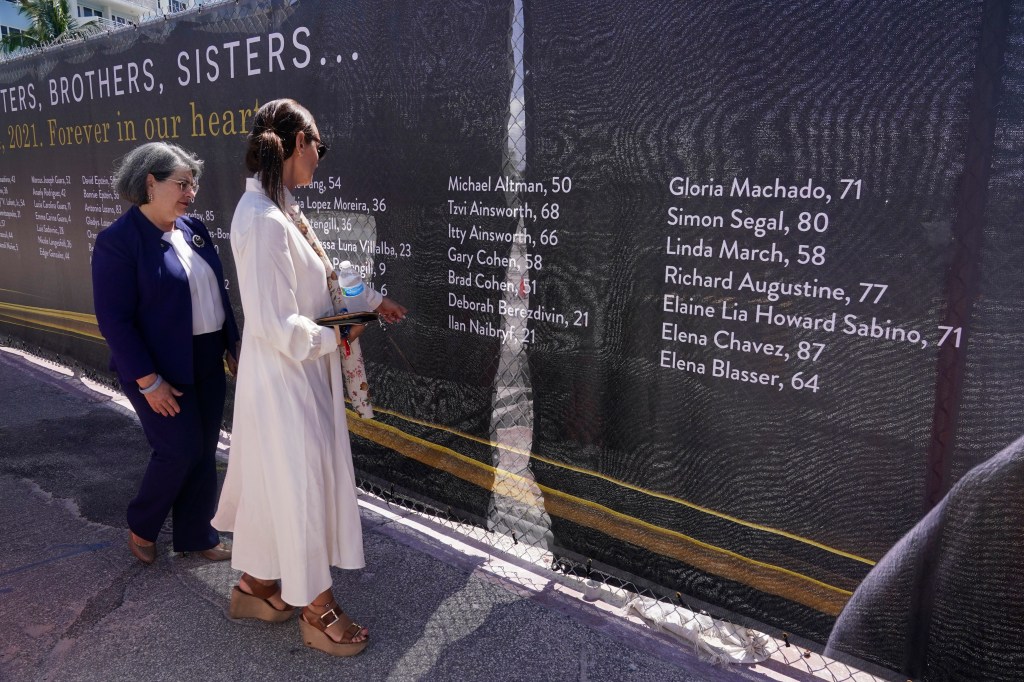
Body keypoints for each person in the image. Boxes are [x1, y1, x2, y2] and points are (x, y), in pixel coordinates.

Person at [212, 99, 407, 657]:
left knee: (279, 484)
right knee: (298, 486)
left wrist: (368, 301)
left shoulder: (279, 209)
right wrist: (340, 336)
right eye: (319, 148)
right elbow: (276, 321)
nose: (320, 160)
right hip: (285, 379)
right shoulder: (264, 220)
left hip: (291, 374)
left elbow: (317, 281)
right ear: (299, 143)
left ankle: (256, 587)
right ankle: (317, 611)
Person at [92, 142, 240, 566]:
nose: (190, 192)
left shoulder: (194, 229)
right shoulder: (118, 242)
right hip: (156, 368)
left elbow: (216, 292)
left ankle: (197, 535)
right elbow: (114, 321)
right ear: (150, 183)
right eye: (181, 183)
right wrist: (148, 381)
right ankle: (142, 523)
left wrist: (231, 343)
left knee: (204, 447)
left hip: (206, 359)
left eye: (193, 184)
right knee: (178, 448)